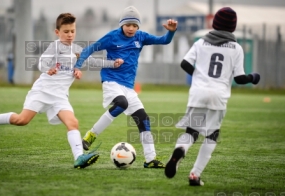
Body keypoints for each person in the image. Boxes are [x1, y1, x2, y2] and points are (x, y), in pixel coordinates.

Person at [0, 13, 123, 169]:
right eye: (66, 31)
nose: (70, 34)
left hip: (60, 97)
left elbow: (92, 61)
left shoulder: (78, 50)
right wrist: (48, 69)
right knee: (22, 120)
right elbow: (41, 63)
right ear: (57, 32)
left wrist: (113, 64)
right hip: (43, 91)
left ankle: (79, 157)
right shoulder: (55, 47)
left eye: (72, 31)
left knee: (73, 122)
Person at [164, 7, 261, 185]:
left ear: (214, 24)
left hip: (198, 93)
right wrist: (253, 78)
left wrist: (199, 76)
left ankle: (180, 150)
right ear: (233, 27)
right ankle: (195, 174)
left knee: (191, 131)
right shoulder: (236, 48)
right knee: (212, 135)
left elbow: (184, 63)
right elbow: (239, 79)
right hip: (219, 95)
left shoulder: (201, 42)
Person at [74, 6, 178, 168]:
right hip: (111, 81)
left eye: (135, 25)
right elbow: (89, 49)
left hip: (128, 87)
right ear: (122, 24)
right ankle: (90, 136)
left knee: (143, 119)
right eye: (128, 25)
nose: (131, 28)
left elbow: (164, 40)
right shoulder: (112, 37)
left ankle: (150, 159)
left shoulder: (141, 37)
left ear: (138, 27)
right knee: (122, 104)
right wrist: (78, 65)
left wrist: (171, 32)